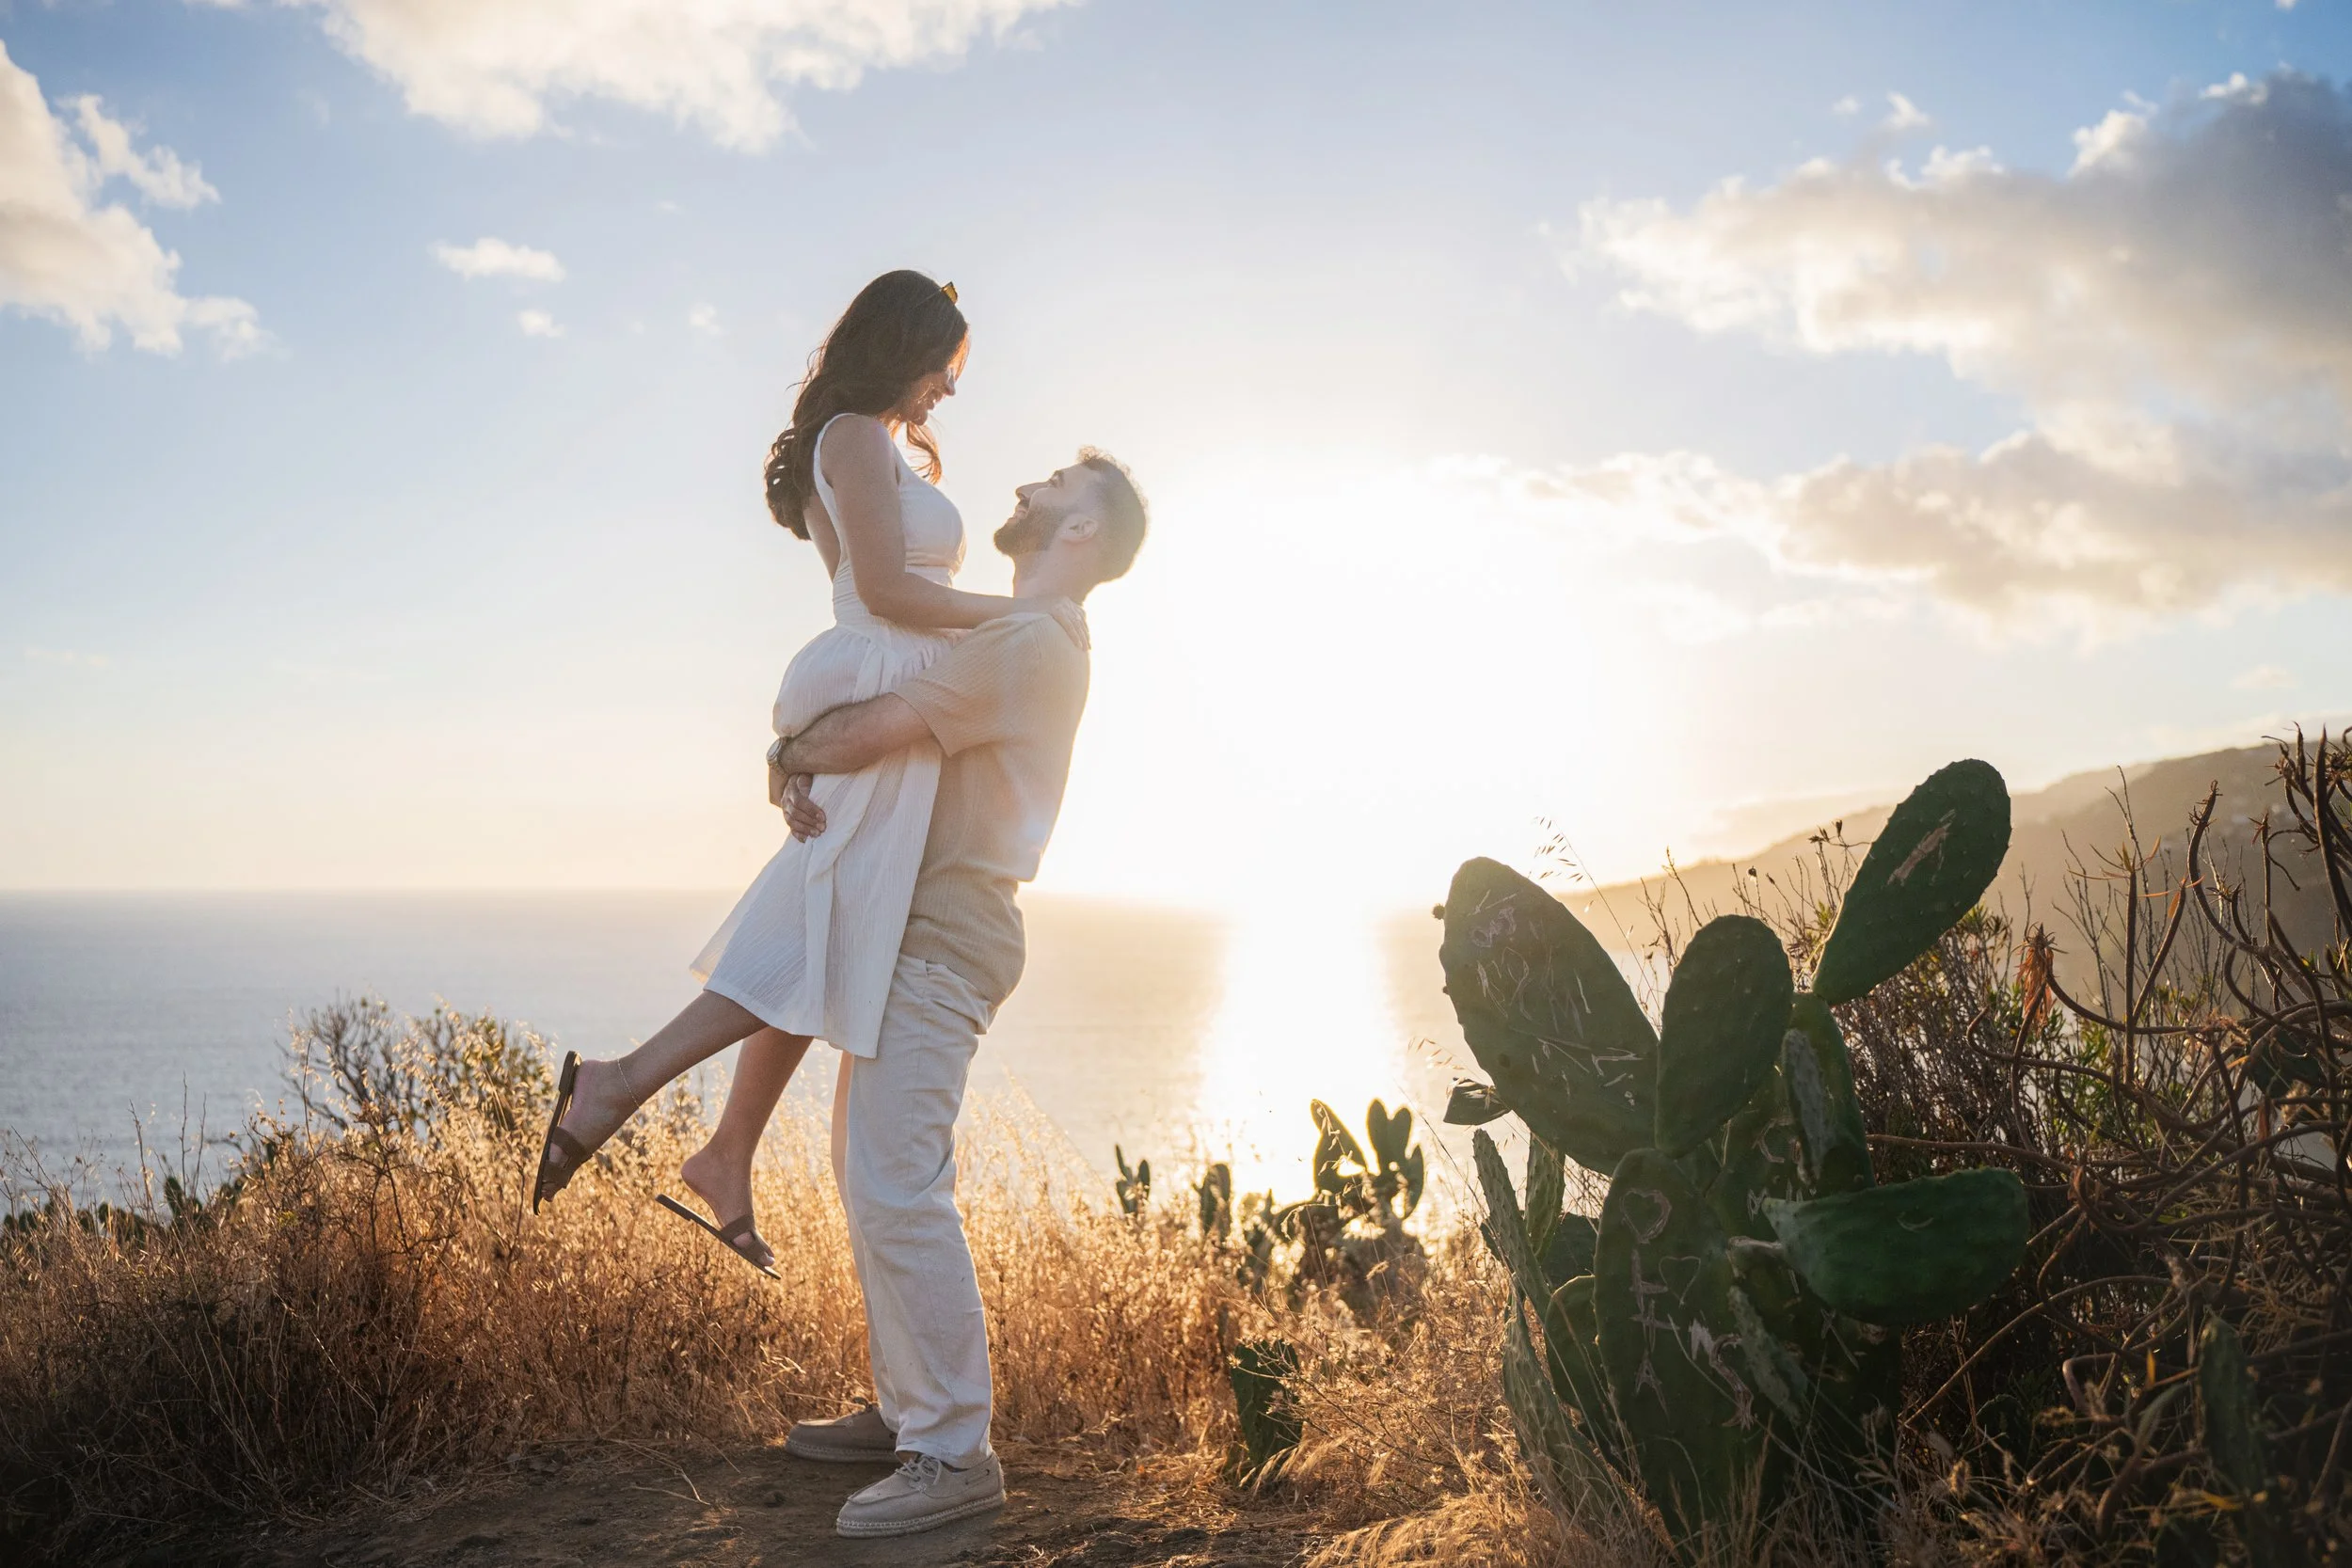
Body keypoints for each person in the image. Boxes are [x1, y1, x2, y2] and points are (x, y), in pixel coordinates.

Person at [532, 449, 1151, 1540]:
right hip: (912, 928)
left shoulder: (1026, 642)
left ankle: (952, 1449)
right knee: (870, 1180)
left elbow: (871, 729)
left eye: (1055, 483)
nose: (1029, 485)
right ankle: (906, 1407)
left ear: (1082, 536)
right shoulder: (1008, 636)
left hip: (940, 939)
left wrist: (783, 748)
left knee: (899, 1186)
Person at [530, 269, 1050, 1265]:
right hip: (887, 674)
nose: (949, 385)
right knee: (828, 922)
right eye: (944, 364)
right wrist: (1020, 616)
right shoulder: (853, 435)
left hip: (893, 680)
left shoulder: (869, 440)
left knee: (825, 922)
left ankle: (717, 1145)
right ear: (902, 346)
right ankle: (622, 1088)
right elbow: (889, 590)